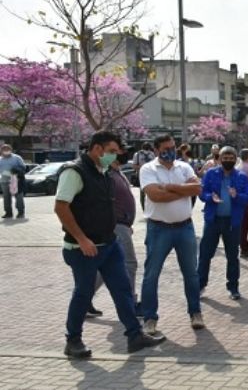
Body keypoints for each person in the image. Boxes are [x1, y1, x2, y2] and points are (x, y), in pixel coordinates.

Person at [55, 131, 164, 358]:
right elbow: (61, 207)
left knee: (122, 289)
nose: (114, 156)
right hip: (83, 248)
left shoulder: (103, 171)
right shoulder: (74, 172)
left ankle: (135, 335)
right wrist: (82, 239)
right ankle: (73, 340)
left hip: (109, 244)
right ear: (97, 148)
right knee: (83, 294)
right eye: (112, 151)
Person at [139, 134, 204, 336]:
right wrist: (182, 190)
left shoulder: (183, 167)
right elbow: (155, 196)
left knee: (191, 274)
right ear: (157, 150)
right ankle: (150, 318)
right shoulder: (148, 169)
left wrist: (170, 187)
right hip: (159, 229)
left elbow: (197, 189)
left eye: (173, 147)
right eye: (166, 148)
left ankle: (195, 312)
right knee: (151, 275)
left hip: (185, 227)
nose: (171, 151)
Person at [89, 152, 140, 318]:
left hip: (122, 225)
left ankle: (83, 299)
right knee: (130, 263)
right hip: (116, 225)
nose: (122, 153)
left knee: (106, 266)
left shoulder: (118, 172)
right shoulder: (107, 174)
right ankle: (130, 303)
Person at [197, 146, 248, 300]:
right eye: (225, 158)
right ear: (219, 159)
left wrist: (237, 196)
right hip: (213, 220)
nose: (228, 161)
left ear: (236, 159)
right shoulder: (210, 174)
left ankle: (233, 287)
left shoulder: (242, 176)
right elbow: (202, 192)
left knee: (232, 256)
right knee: (205, 254)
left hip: (232, 222)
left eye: (231, 158)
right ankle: (200, 285)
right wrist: (210, 197)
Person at [0, 144, 25, 219]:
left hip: (16, 181)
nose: (6, 151)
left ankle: (21, 212)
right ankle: (8, 213)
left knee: (19, 197)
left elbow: (23, 167)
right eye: (4, 149)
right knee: (6, 198)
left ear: (11, 149)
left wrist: (16, 170)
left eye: (7, 149)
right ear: (1, 151)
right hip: (4, 181)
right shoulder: (0, 159)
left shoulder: (17, 158)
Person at [131, 142, 155, 209]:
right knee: (143, 193)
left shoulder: (151, 154)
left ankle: (150, 207)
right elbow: (134, 166)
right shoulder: (137, 154)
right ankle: (144, 208)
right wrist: (143, 167)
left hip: (151, 175)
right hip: (141, 175)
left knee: (151, 191)